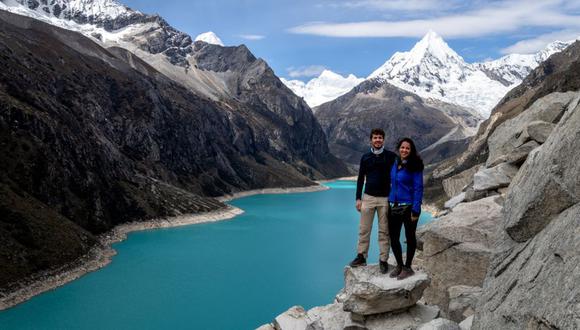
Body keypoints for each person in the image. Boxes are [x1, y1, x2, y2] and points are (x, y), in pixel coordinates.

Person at [349, 128, 397, 274]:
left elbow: (396, 177)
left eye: (380, 138)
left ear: (384, 140)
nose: (377, 140)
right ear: (371, 140)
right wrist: (358, 198)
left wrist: (395, 197)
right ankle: (361, 256)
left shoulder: (391, 156)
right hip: (368, 198)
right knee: (364, 230)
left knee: (384, 231)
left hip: (385, 198)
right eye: (375, 138)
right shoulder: (365, 157)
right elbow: (360, 179)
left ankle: (383, 260)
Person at [388, 137, 424, 280]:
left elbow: (418, 187)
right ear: (399, 148)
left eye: (407, 148)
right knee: (394, 238)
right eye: (402, 147)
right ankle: (399, 265)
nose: (404, 150)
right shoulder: (395, 163)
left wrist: (416, 209)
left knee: (409, 238)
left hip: (409, 207)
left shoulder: (415, 165)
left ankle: (408, 267)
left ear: (411, 150)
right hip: (393, 205)